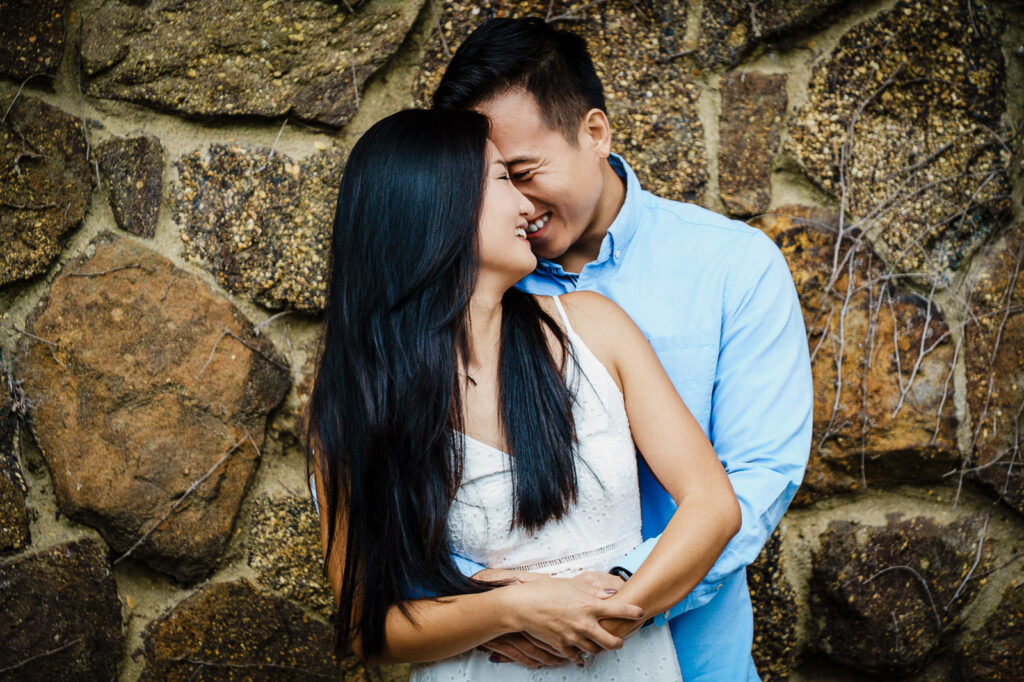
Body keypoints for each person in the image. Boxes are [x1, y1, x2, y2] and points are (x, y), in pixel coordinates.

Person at [431, 17, 814, 681]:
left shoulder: (733, 267)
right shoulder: (478, 288)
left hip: (697, 660)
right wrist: (493, 606)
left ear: (596, 133)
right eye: (491, 182)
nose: (516, 204)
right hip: (505, 658)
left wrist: (611, 603)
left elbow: (757, 479)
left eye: (524, 172)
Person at [304, 108, 741, 680]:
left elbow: (713, 505)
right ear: (438, 206)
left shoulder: (594, 328)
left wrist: (609, 611)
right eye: (503, 180)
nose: (527, 206)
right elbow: (367, 624)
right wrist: (510, 608)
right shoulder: (358, 398)